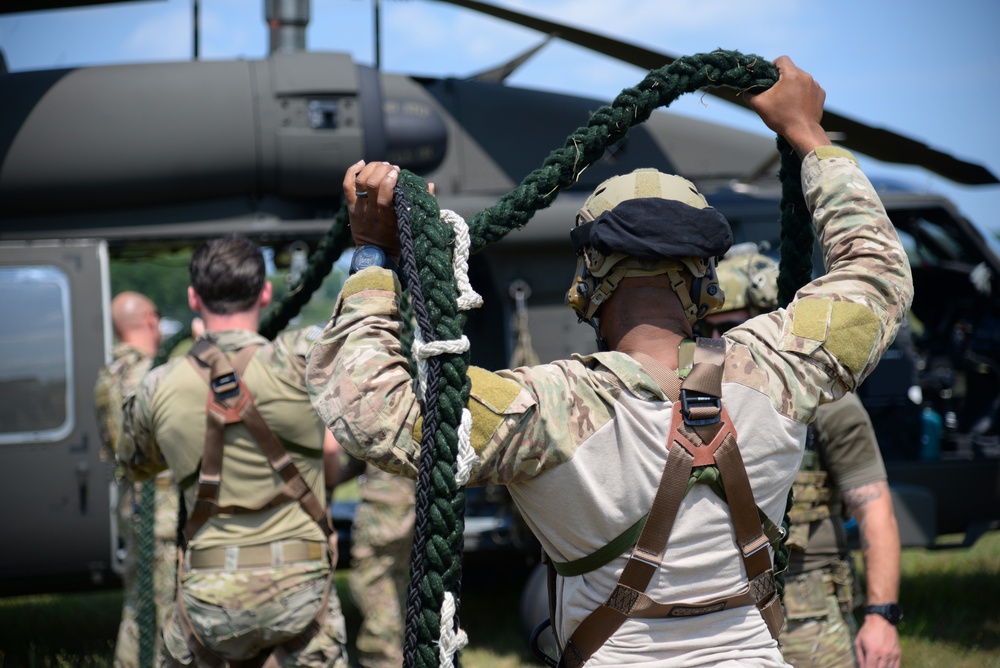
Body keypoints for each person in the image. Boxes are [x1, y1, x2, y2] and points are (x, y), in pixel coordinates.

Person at [306, 55, 913, 666]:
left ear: (588, 283)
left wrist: (373, 257)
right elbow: (877, 275)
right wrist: (809, 136)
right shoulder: (783, 370)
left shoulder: (546, 410)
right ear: (706, 283)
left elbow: (374, 412)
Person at [117, 235, 349, 668]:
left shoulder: (158, 385)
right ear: (264, 292)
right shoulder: (301, 362)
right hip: (301, 592)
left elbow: (136, 465)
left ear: (193, 298)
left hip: (209, 602)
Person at [705, 252, 903, 667]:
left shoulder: (826, 405)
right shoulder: (693, 405)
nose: (726, 344)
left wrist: (881, 616)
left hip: (807, 603)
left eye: (737, 328)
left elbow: (874, 511)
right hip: (719, 603)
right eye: (714, 330)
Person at [94, 290, 179, 667]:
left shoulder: (107, 376)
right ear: (149, 319)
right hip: (162, 511)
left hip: (133, 506)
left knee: (138, 605)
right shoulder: (153, 374)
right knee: (167, 612)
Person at [338, 453, 416, 668]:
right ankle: (402, 652)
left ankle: (384, 659)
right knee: (394, 580)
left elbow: (360, 445)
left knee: (373, 584)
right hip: (410, 502)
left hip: (384, 508)